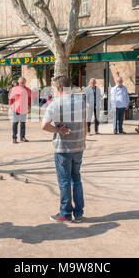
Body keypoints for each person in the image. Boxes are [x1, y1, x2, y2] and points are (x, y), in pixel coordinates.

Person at [41, 76, 87, 223]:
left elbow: (44, 125)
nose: (53, 90)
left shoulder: (55, 103)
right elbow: (85, 124)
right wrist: (84, 141)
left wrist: (58, 130)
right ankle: (78, 214)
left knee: (65, 181)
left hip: (63, 148)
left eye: (54, 88)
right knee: (76, 180)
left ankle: (65, 214)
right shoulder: (81, 102)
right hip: (78, 146)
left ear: (59, 88)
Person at [9, 77, 31, 144]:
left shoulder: (27, 90)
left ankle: (22, 137)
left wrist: (30, 105)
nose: (22, 84)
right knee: (15, 123)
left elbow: (30, 98)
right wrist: (11, 106)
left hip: (24, 109)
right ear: (19, 82)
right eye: (21, 83)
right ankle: (14, 138)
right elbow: (11, 98)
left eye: (23, 83)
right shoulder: (15, 89)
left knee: (23, 123)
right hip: (16, 108)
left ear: (25, 83)